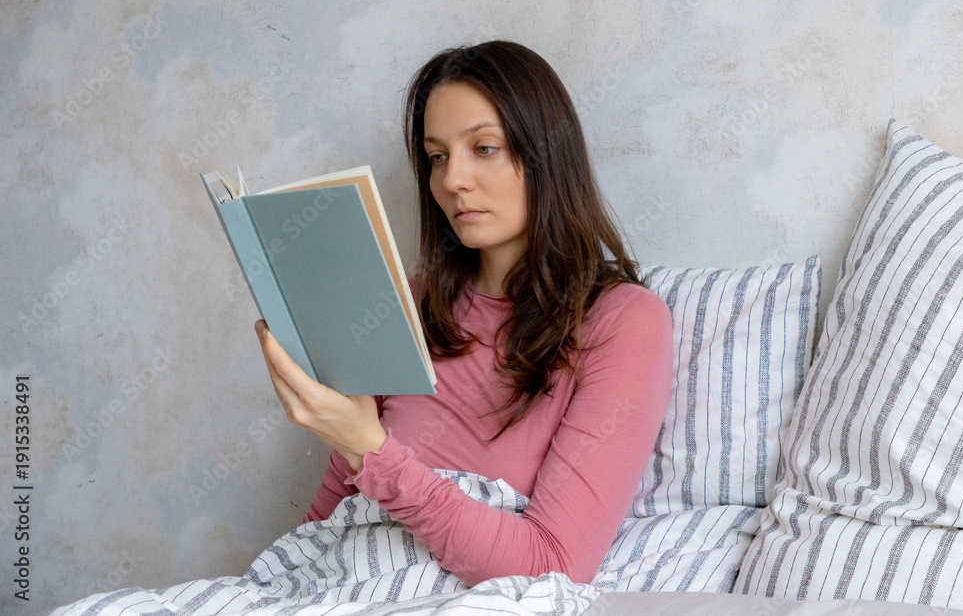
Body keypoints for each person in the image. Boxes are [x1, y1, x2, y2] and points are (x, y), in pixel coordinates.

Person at [254, 40, 673, 586]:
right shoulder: (405, 305)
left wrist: (371, 450)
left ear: (547, 154)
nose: (452, 180)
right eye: (437, 157)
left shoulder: (623, 321)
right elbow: (326, 525)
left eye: (484, 148)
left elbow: (554, 567)